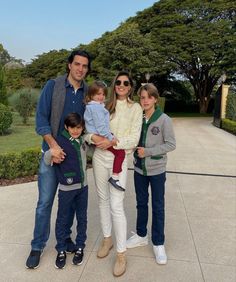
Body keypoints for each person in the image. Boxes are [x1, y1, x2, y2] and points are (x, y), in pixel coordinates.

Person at [26, 49, 91, 269]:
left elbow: (90, 123)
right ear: (69, 65)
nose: (80, 69)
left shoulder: (87, 93)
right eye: (77, 64)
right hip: (52, 156)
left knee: (70, 204)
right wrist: (53, 146)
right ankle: (37, 245)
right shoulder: (53, 86)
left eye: (84, 66)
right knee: (44, 203)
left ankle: (65, 239)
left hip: (72, 160)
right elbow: (41, 119)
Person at [87, 71, 143, 277]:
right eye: (118, 82)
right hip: (100, 158)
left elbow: (134, 138)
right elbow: (87, 130)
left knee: (116, 205)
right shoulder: (103, 105)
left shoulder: (135, 108)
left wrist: (112, 142)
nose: (121, 85)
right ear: (114, 84)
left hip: (119, 160)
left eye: (125, 83)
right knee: (102, 200)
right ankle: (107, 239)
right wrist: (94, 138)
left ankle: (121, 254)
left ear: (130, 87)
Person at [126, 83, 176, 265]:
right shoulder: (137, 118)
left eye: (148, 97)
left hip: (156, 170)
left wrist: (147, 151)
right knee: (141, 203)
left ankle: (158, 243)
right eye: (142, 97)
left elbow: (171, 144)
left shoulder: (164, 120)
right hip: (139, 169)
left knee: (158, 206)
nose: (145, 100)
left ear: (155, 98)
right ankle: (141, 234)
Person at [44, 113, 88, 269]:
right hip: (66, 188)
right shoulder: (60, 141)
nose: (76, 131)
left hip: (83, 188)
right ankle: (61, 249)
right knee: (62, 219)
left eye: (79, 127)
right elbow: (47, 158)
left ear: (82, 127)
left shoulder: (83, 140)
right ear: (66, 127)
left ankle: (80, 246)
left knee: (82, 218)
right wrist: (51, 154)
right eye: (72, 128)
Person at [84, 80, 126, 191]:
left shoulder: (94, 106)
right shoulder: (96, 108)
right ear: (92, 94)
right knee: (120, 153)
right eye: (98, 94)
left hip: (99, 134)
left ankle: (114, 176)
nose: (101, 97)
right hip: (100, 135)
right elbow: (101, 126)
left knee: (117, 152)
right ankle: (115, 177)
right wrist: (111, 138)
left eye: (103, 94)